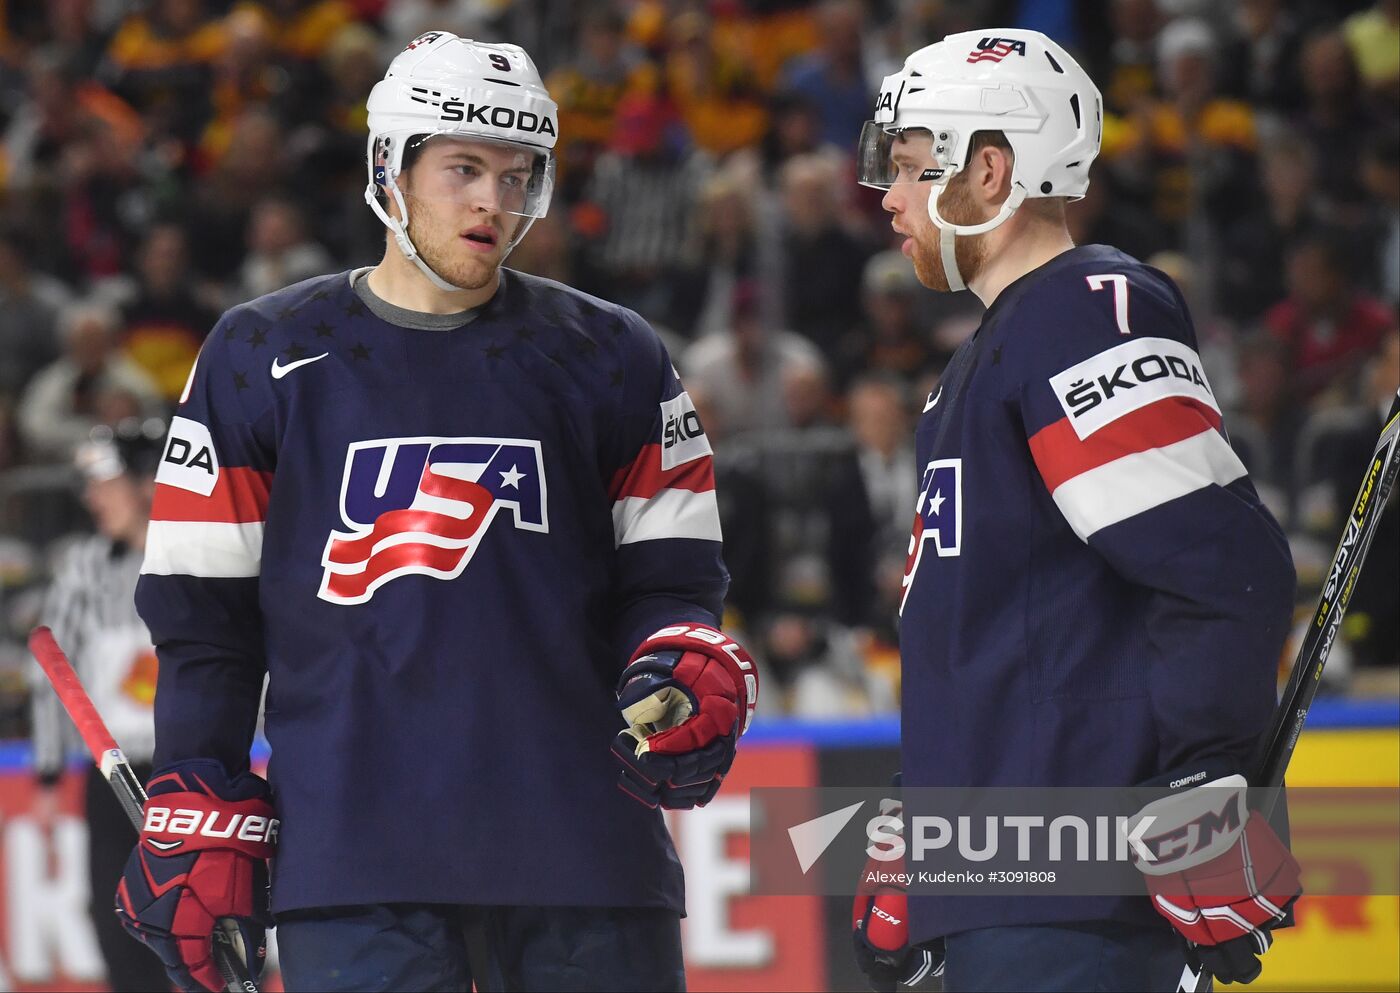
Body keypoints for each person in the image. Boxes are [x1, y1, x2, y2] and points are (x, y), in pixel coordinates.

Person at [117, 32, 758, 993]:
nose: (492, 203)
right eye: (463, 168)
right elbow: (203, 618)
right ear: (391, 166)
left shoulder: (615, 351)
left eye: (516, 175)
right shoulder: (257, 354)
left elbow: (670, 581)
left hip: (585, 852)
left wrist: (677, 663)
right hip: (352, 866)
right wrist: (193, 784)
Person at [847, 29, 1300, 992]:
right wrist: (920, 824)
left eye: (911, 166)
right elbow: (993, 634)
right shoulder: (984, 360)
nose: (888, 197)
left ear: (992, 166)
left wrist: (1204, 785)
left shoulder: (1078, 312)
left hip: (1080, 893)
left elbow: (1221, 565)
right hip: (1010, 880)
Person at [30, 418, 170, 993]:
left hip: (192, 769)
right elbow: (47, 672)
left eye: (104, 481)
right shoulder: (85, 567)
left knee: (210, 915)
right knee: (118, 924)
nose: (91, 497)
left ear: (146, 481)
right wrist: (46, 774)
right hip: (115, 775)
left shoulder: (201, 553)